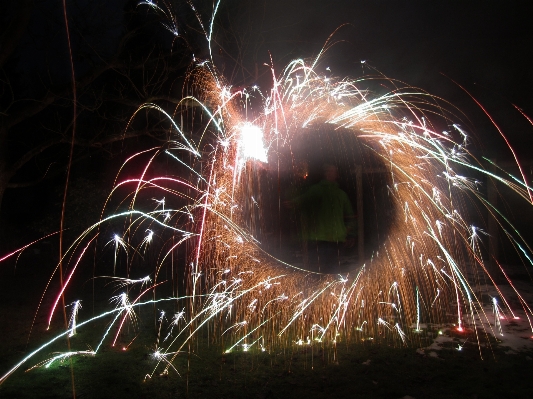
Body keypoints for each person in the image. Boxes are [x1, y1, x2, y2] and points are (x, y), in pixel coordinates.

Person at [293, 164, 355, 273]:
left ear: (337, 175)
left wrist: (350, 234)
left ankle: (331, 288)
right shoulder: (317, 190)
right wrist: (292, 203)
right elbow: (303, 201)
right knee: (321, 270)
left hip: (336, 238)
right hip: (320, 238)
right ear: (325, 174)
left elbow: (350, 216)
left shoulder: (341, 195)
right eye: (328, 171)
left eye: (333, 171)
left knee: (332, 269)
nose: (330, 173)